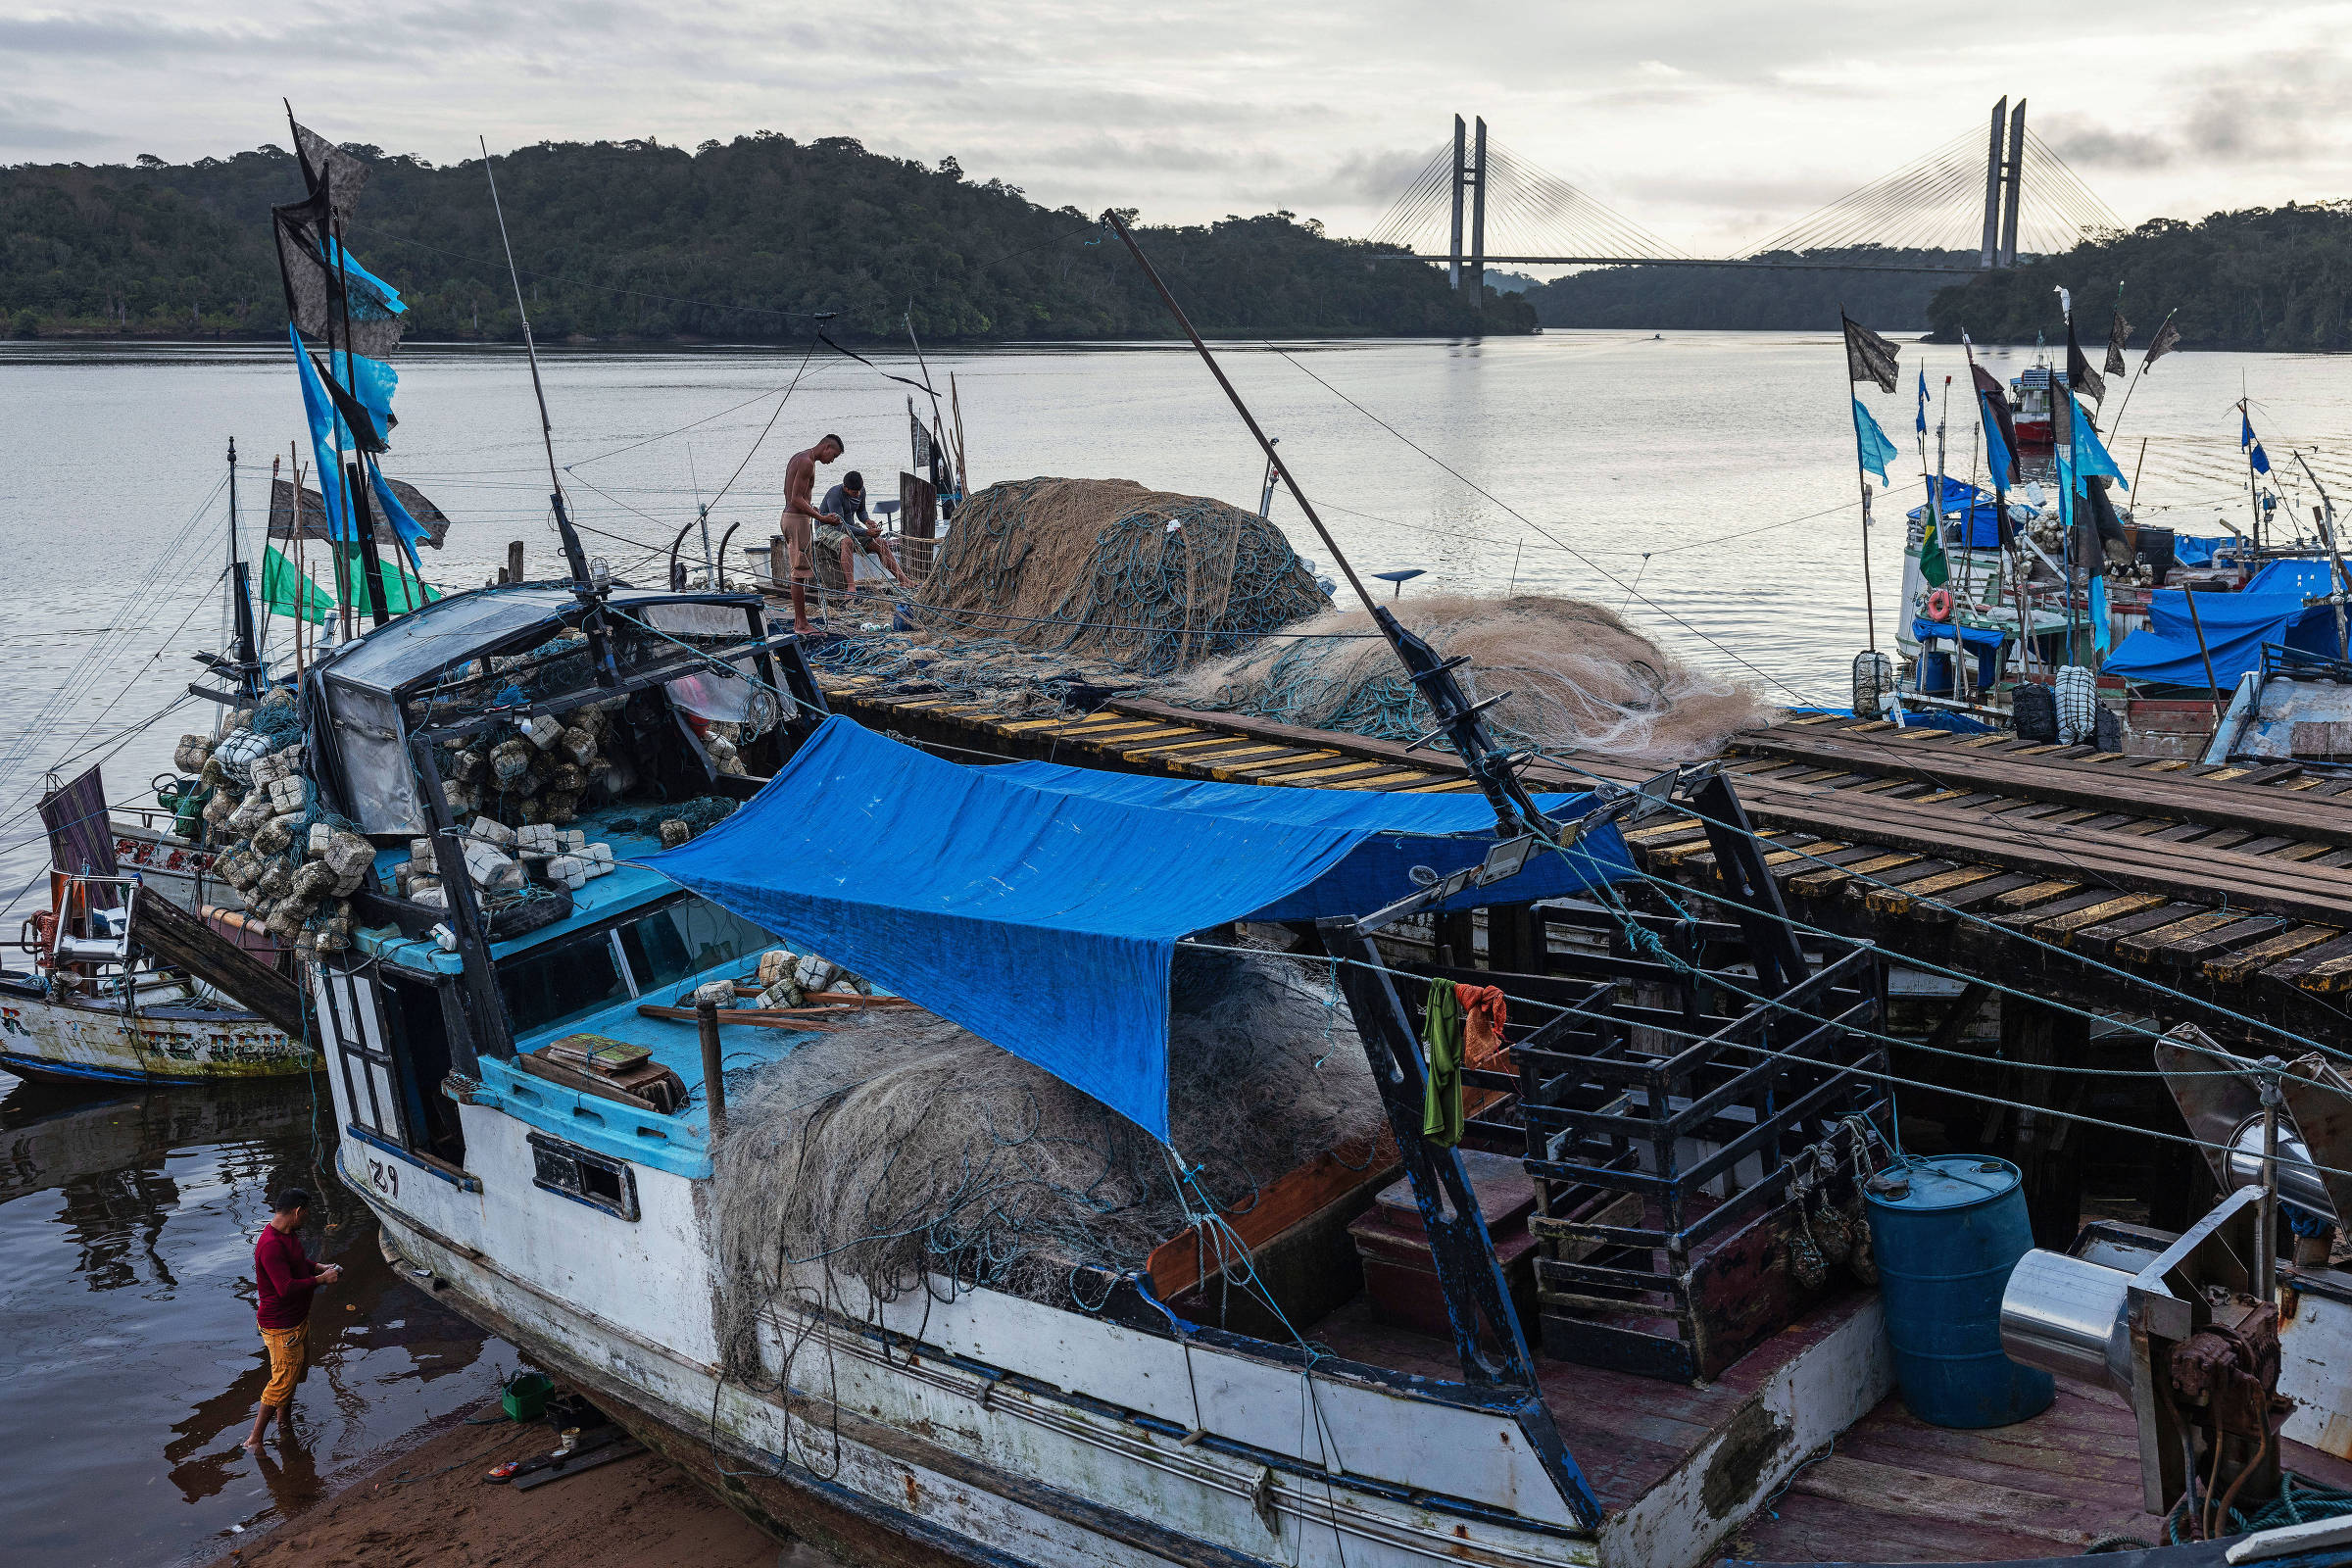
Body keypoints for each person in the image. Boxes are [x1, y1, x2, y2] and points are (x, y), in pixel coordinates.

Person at [242, 1187, 340, 1450]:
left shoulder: (288, 1234)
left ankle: (283, 1422)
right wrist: (321, 1280)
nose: (307, 1219)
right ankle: (254, 1439)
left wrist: (318, 1267)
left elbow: (297, 1263)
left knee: (293, 1375)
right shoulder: (271, 1245)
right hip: (281, 1326)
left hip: (296, 1321)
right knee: (281, 1380)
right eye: (306, 1214)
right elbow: (285, 1288)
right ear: (297, 1212)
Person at [778, 434, 846, 635]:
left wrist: (812, 509)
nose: (831, 461)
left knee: (799, 571)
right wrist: (821, 518)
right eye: (833, 456)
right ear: (826, 447)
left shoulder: (798, 457)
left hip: (791, 517)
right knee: (798, 573)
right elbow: (795, 498)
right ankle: (801, 624)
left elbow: (790, 494)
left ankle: (801, 622)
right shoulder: (807, 462)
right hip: (797, 519)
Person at [816, 470, 914, 593]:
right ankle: (851, 587)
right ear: (845, 488)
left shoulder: (861, 491)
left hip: (849, 526)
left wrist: (867, 521)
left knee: (881, 543)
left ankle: (904, 580)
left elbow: (861, 511)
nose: (858, 494)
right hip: (827, 527)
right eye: (854, 492)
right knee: (847, 542)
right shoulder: (834, 494)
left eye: (859, 491)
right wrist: (866, 533)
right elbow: (839, 526)